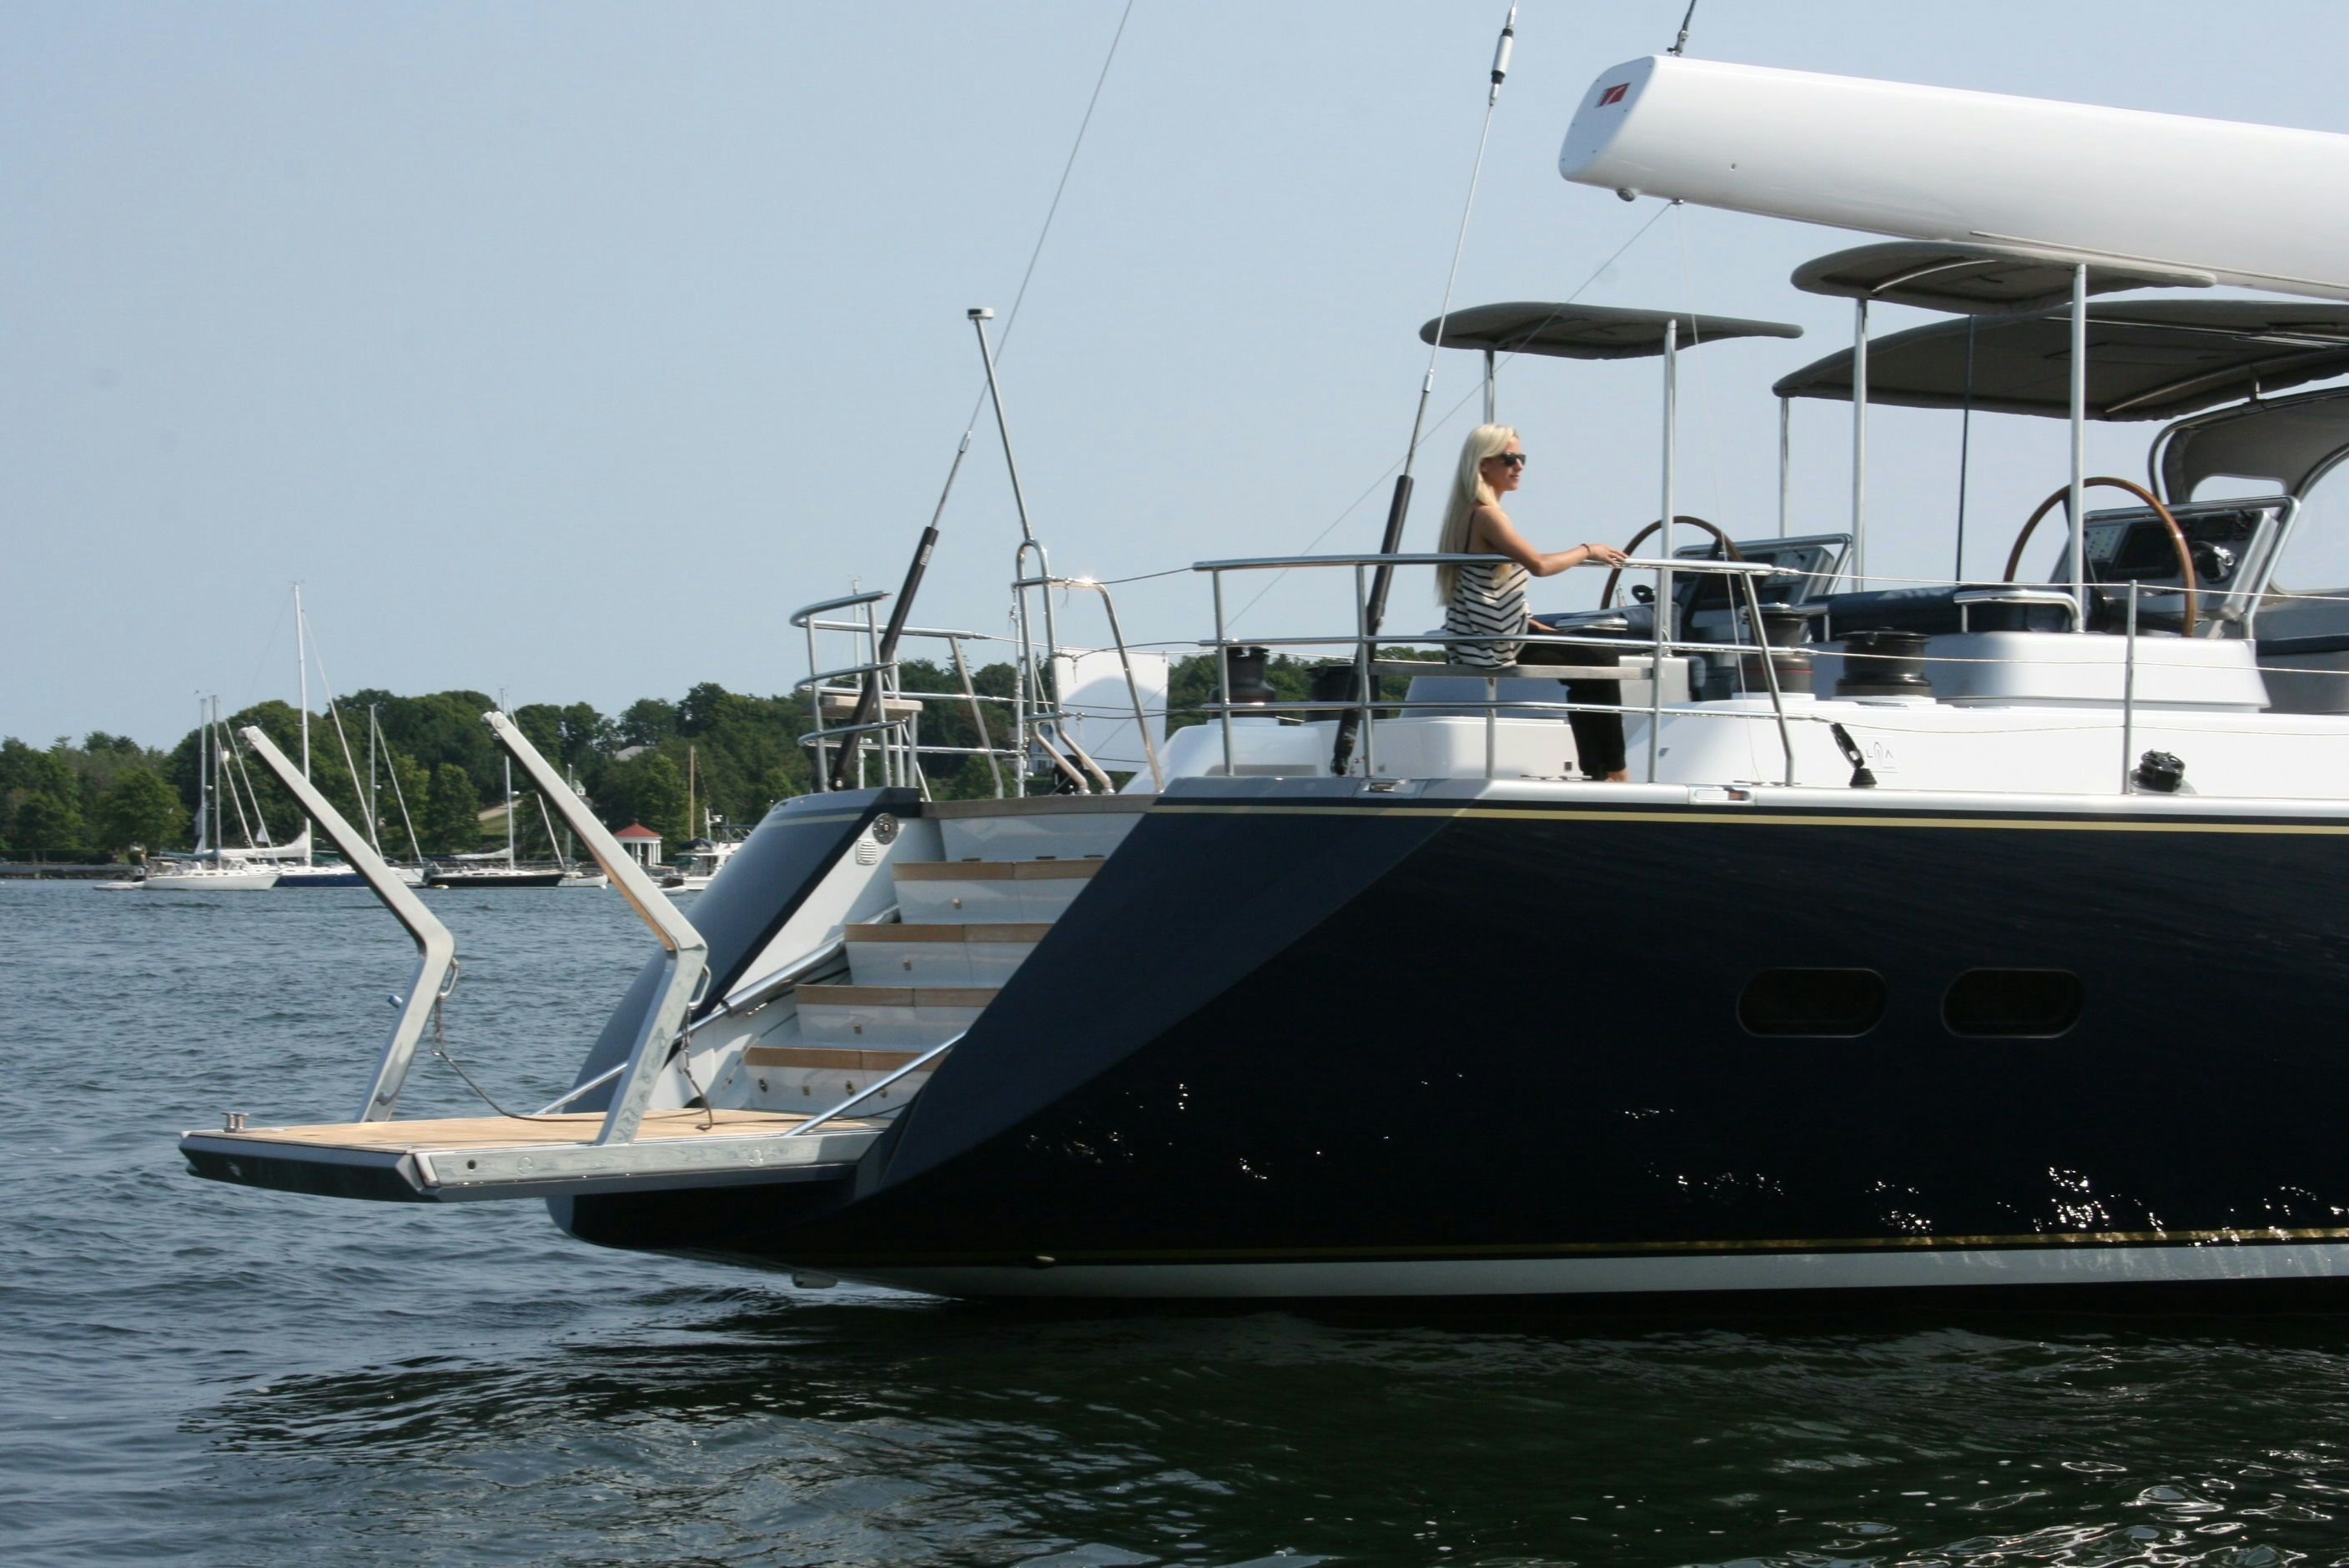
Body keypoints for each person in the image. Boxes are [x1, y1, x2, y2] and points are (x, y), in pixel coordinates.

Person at [1435, 423, 1632, 780]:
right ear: (1483, 465)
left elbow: (1490, 588)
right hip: (1494, 644)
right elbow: (1539, 565)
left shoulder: (1466, 513)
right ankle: (1613, 771)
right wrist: (1589, 550)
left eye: (1521, 458)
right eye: (1509, 458)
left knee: (1588, 665)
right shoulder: (1488, 515)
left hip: (1482, 635)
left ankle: (1601, 769)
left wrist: (1529, 621)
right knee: (1601, 658)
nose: (1519, 466)